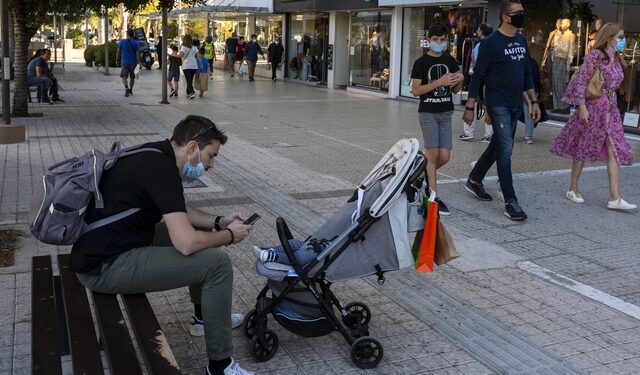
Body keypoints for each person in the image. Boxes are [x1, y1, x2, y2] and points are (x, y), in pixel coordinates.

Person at [70, 115, 257, 375]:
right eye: (211, 155)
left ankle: (202, 319)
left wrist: (218, 222)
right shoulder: (162, 170)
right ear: (192, 147)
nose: (212, 165)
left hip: (105, 248)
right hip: (105, 266)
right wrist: (229, 236)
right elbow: (186, 244)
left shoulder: (156, 154)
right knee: (218, 264)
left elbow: (175, 209)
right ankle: (221, 367)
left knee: (206, 240)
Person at [463, 0, 541, 221]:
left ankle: (474, 179)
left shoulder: (521, 40)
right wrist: (470, 107)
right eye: (518, 13)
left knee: (498, 144)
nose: (522, 16)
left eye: (522, 12)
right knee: (506, 149)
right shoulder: (491, 43)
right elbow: (477, 76)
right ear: (506, 17)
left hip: (516, 103)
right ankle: (510, 201)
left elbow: (526, 72)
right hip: (497, 103)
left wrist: (533, 102)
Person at [549, 23, 635, 211]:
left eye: (623, 37)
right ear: (609, 37)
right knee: (583, 146)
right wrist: (581, 107)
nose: (623, 40)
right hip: (594, 108)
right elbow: (581, 82)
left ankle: (614, 196)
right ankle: (572, 188)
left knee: (613, 148)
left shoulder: (618, 58)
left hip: (610, 111)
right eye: (620, 37)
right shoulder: (596, 56)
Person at [411, 23, 464, 216]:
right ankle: (433, 197)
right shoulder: (421, 63)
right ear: (429, 40)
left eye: (442, 40)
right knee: (432, 156)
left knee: (445, 156)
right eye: (436, 40)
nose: (439, 43)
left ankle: (421, 175)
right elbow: (416, 91)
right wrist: (438, 82)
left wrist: (461, 80)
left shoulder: (450, 60)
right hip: (428, 112)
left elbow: (455, 91)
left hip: (446, 112)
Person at [460, 23, 494, 142]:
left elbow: (476, 62)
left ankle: (468, 132)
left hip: (479, 79)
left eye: (479, 29)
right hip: (490, 81)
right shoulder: (494, 44)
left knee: (473, 103)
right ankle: (489, 135)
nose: (477, 31)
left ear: (482, 32)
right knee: (489, 105)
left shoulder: (480, 44)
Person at [543, 19, 576, 114]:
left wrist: (569, 63)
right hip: (555, 58)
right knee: (554, 83)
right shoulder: (558, 34)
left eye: (564, 23)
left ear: (568, 24)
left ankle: (564, 106)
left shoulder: (571, 35)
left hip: (563, 59)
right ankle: (557, 105)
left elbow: (571, 49)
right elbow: (553, 45)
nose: (562, 25)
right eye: (561, 23)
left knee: (560, 83)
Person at [252, 239, 327, 267]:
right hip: (319, 246)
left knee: (299, 258)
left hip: (323, 254)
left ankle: (270, 256)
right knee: (294, 243)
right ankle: (271, 250)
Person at [521, 55, 542, 144]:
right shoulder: (534, 62)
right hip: (534, 89)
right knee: (530, 113)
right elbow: (537, 77)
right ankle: (528, 136)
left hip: (523, 89)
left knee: (526, 110)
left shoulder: (520, 62)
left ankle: (508, 135)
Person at [116, 29, 141, 97]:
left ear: (127, 34)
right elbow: (137, 53)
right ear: (133, 34)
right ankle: (130, 90)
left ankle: (126, 87)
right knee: (132, 77)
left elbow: (118, 51)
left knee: (124, 76)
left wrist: (117, 60)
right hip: (133, 63)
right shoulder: (136, 43)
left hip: (124, 62)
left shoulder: (122, 42)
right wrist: (139, 61)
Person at [178, 34, 199, 99]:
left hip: (186, 66)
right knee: (190, 79)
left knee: (188, 80)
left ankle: (192, 92)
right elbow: (198, 55)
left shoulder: (183, 47)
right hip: (194, 66)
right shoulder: (194, 47)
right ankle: (188, 93)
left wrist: (174, 55)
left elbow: (181, 55)